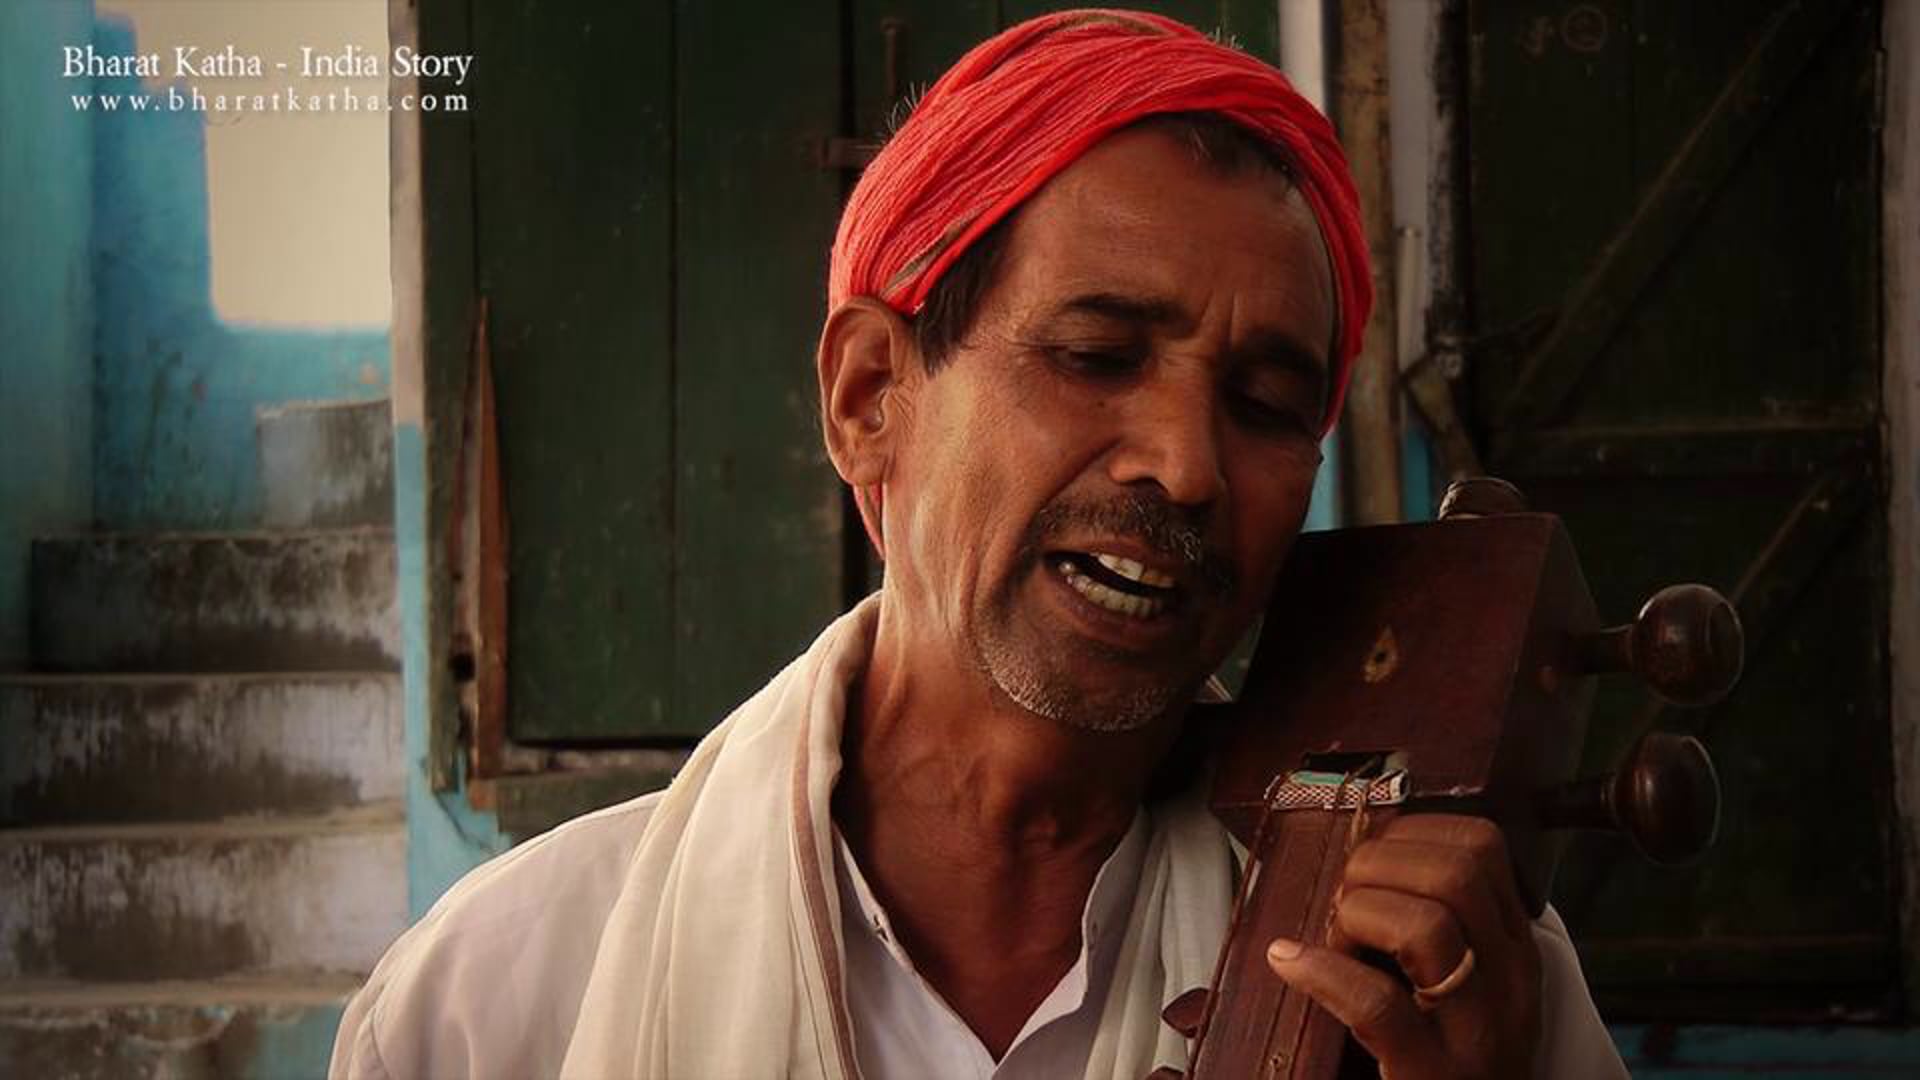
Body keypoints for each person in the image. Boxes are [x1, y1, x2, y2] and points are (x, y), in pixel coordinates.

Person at [330, 10, 1629, 1079]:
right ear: (868, 400)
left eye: (1269, 405)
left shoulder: (1449, 978)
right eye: (1096, 356)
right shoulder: (491, 1007)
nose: (1185, 462)